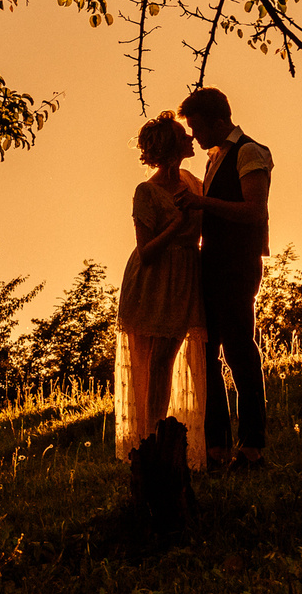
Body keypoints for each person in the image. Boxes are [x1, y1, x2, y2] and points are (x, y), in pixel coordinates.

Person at [176, 86, 270, 468]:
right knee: (206, 353)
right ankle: (216, 448)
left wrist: (201, 202)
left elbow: (254, 211)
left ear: (218, 121)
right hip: (210, 263)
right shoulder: (214, 157)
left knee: (239, 352)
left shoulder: (250, 152)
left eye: (197, 128)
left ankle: (252, 448)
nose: (194, 137)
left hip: (237, 264)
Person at [114, 113, 209, 472]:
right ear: (172, 147)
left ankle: (163, 439)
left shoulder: (193, 181)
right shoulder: (147, 192)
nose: (190, 139)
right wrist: (178, 225)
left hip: (186, 274)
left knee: (168, 357)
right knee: (156, 360)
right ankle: (150, 441)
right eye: (183, 135)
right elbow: (146, 250)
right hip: (153, 280)